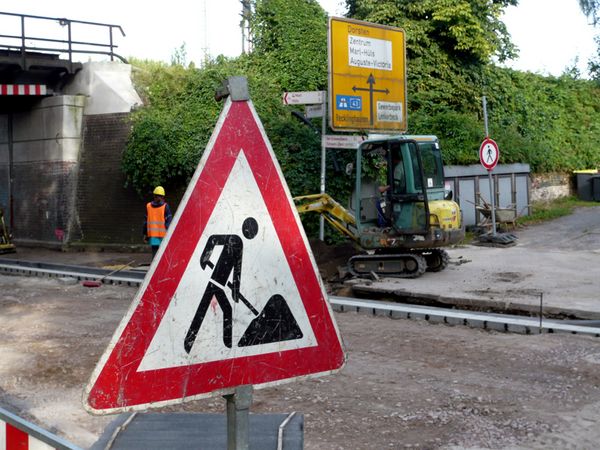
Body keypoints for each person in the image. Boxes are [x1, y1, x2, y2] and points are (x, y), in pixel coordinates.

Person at [143, 186, 173, 258]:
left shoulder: (148, 206)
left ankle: (155, 269)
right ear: (163, 197)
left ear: (154, 196)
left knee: (155, 256)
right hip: (163, 236)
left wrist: (145, 235)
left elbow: (145, 222)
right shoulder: (165, 206)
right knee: (164, 256)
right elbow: (169, 222)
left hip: (153, 236)